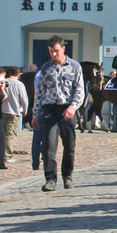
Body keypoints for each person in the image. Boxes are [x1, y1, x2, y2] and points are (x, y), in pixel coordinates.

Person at [33, 36, 85, 192]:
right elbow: (39, 93)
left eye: (56, 51)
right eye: (51, 51)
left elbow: (80, 90)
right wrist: (36, 113)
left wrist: (73, 107)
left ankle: (67, 176)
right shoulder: (46, 68)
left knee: (69, 145)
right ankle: (50, 179)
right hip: (50, 109)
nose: (53, 54)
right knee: (48, 145)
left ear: (63, 49)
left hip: (67, 109)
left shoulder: (74, 66)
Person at [1, 67, 29, 158]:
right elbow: (24, 99)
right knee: (11, 134)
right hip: (14, 111)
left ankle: (0, 154)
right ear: (18, 74)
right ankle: (7, 155)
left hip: (2, 110)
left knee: (3, 134)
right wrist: (25, 110)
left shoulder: (2, 82)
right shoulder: (19, 84)